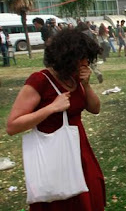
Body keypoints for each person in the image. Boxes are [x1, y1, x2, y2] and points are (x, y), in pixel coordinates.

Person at [6, 29, 106, 211]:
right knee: (62, 201)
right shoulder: (40, 80)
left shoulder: (74, 77)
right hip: (54, 154)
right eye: (82, 58)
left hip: (80, 149)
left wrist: (86, 84)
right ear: (67, 57)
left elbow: (95, 108)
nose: (86, 63)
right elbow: (12, 126)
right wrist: (51, 108)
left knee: (90, 195)